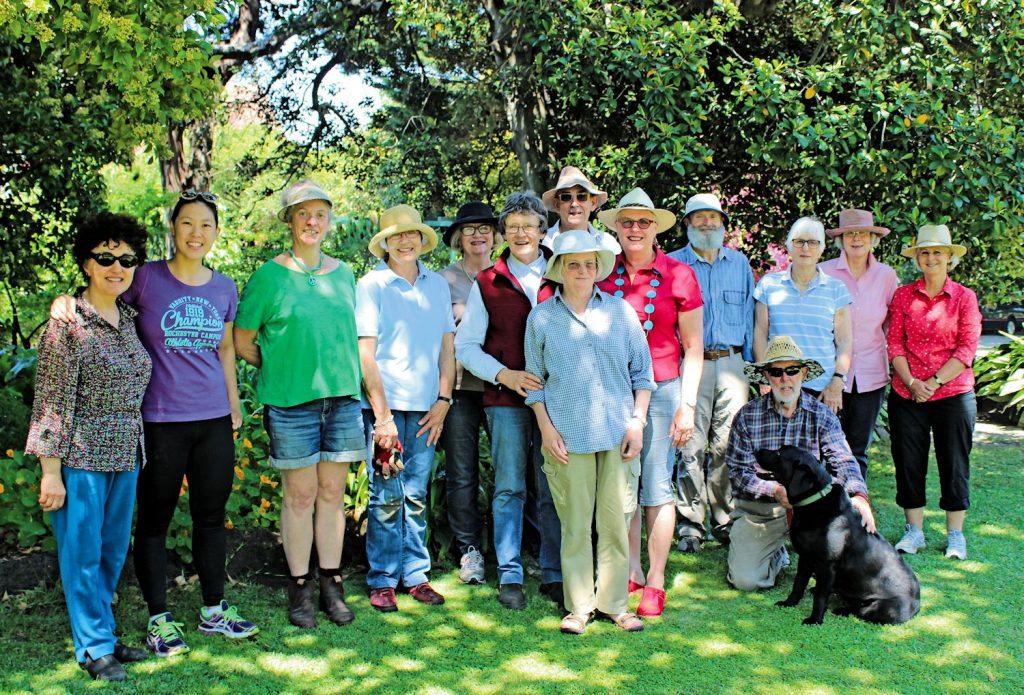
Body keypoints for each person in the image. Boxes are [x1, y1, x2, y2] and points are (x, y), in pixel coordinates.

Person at [48, 191, 259, 654]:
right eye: (187, 224)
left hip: (214, 419)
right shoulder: (146, 278)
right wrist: (65, 300)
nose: (196, 233)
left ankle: (213, 609)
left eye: (205, 225)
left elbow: (225, 350)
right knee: (153, 522)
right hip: (160, 421)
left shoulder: (224, 287)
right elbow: (104, 288)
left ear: (216, 233)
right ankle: (159, 618)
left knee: (210, 515)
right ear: (173, 230)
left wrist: (234, 402)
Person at [26, 213, 153, 681]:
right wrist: (50, 471)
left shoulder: (131, 316)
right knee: (81, 554)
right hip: (80, 456)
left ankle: (102, 632)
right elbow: (51, 400)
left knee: (110, 551)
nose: (116, 266)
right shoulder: (67, 323)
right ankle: (93, 647)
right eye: (105, 257)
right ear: (86, 263)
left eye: (126, 258)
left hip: (125, 453)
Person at [235, 180, 364, 629]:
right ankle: (300, 588)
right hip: (291, 404)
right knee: (300, 496)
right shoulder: (269, 276)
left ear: (329, 220)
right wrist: (282, 363)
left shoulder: (345, 273)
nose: (312, 222)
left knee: (332, 495)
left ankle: (332, 583)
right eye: (303, 213)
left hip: (343, 401)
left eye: (320, 214)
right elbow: (244, 341)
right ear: (289, 220)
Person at [525, 230, 655, 634]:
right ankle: (579, 607)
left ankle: (616, 604)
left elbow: (643, 375)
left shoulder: (621, 313)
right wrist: (546, 429)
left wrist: (638, 421)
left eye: (589, 264)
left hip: (619, 435)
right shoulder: (542, 317)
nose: (582, 271)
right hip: (567, 437)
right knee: (576, 525)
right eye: (573, 264)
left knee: (616, 523)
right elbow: (535, 384)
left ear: (599, 268)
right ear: (560, 269)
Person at [595, 188, 703, 617]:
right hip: (615, 394)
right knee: (624, 485)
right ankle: (631, 568)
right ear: (617, 228)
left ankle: (656, 578)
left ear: (655, 227)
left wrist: (688, 405)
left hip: (663, 390)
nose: (635, 229)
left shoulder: (679, 275)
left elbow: (694, 346)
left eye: (643, 222)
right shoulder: (603, 273)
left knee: (656, 485)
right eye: (627, 222)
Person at [455, 191, 563, 611]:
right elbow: (467, 346)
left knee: (553, 485)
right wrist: (505, 375)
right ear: (505, 232)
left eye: (529, 225)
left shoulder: (561, 273)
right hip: (505, 399)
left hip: (557, 401)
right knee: (510, 487)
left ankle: (554, 572)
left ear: (542, 229)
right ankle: (511, 573)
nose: (521, 233)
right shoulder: (489, 282)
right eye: (513, 226)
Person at [357, 204, 456, 612]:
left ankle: (415, 574)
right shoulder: (372, 286)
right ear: (385, 243)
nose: (405, 240)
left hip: (427, 410)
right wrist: (381, 418)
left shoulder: (437, 285)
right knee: (385, 495)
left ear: (421, 238)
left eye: (412, 233)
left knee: (415, 494)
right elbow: (366, 354)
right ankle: (381, 578)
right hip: (387, 411)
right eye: (396, 235)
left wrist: (444, 400)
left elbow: (447, 349)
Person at [725, 336, 874, 592]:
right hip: (763, 512)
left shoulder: (822, 415)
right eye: (776, 372)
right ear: (766, 377)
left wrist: (859, 495)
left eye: (792, 370)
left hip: (816, 514)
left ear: (804, 373)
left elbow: (843, 460)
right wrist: (773, 490)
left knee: (845, 576)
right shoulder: (746, 417)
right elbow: (738, 473)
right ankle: (779, 554)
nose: (785, 379)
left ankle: (810, 551)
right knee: (745, 581)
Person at [887, 225, 980, 560]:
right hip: (906, 393)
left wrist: (934, 383)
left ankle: (955, 535)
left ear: (949, 257)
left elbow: (967, 349)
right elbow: (895, 343)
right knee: (908, 463)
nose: (930, 258)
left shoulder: (965, 298)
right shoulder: (903, 296)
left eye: (937, 252)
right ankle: (915, 532)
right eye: (924, 252)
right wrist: (913, 383)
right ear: (918, 258)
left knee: (954, 463)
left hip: (953, 393)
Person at [669, 193, 754, 552]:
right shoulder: (673, 265)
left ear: (723, 223)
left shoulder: (740, 264)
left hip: (733, 363)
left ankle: (724, 517)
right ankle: (690, 522)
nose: (707, 224)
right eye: (698, 217)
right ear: (687, 224)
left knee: (726, 442)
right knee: (689, 441)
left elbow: (750, 320)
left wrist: (754, 371)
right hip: (692, 364)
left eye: (713, 218)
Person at [440, 202, 500, 584]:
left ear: (495, 234)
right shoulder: (442, 281)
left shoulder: (510, 272)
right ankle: (469, 549)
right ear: (458, 238)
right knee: (461, 470)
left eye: (484, 228)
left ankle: (515, 544)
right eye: (469, 229)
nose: (477, 235)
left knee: (513, 468)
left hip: (503, 385)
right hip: (461, 387)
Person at [820, 209, 899, 480]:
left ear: (871, 238)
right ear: (841, 239)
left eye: (862, 233)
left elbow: (892, 323)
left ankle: (857, 512)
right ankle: (827, 513)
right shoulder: (824, 272)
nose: (856, 239)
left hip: (871, 375)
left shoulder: (887, 276)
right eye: (850, 234)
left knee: (858, 449)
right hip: (828, 376)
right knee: (825, 447)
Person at [754, 217, 852, 412]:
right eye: (799, 241)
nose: (805, 248)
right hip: (780, 384)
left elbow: (844, 341)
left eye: (813, 242)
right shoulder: (768, 285)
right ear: (789, 247)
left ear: (822, 248)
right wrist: (764, 377)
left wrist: (837, 381)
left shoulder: (836, 289)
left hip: (821, 389)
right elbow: (760, 333)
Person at [540, 165, 621, 254]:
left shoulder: (608, 244)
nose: (574, 204)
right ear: (557, 205)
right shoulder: (542, 243)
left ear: (593, 203)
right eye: (566, 197)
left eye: (582, 196)